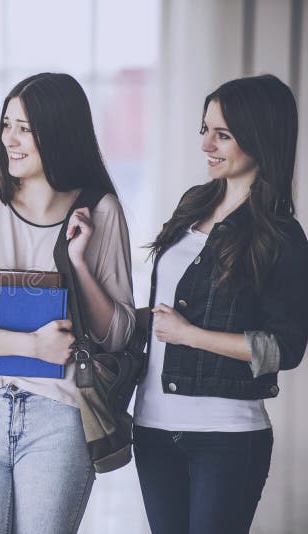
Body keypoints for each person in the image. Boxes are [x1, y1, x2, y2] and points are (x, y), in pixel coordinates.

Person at [0, 73, 136, 533]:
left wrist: (81, 263)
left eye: (25, 128)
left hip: (61, 413)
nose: (10, 139)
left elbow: (118, 334)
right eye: (7, 124)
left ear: (59, 132)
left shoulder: (101, 210)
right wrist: (29, 345)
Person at [133, 74, 308, 534]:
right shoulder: (193, 205)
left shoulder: (280, 236)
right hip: (153, 427)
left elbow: (284, 350)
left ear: (260, 137)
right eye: (204, 129)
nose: (206, 144)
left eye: (223, 135)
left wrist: (191, 336)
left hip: (227, 437)